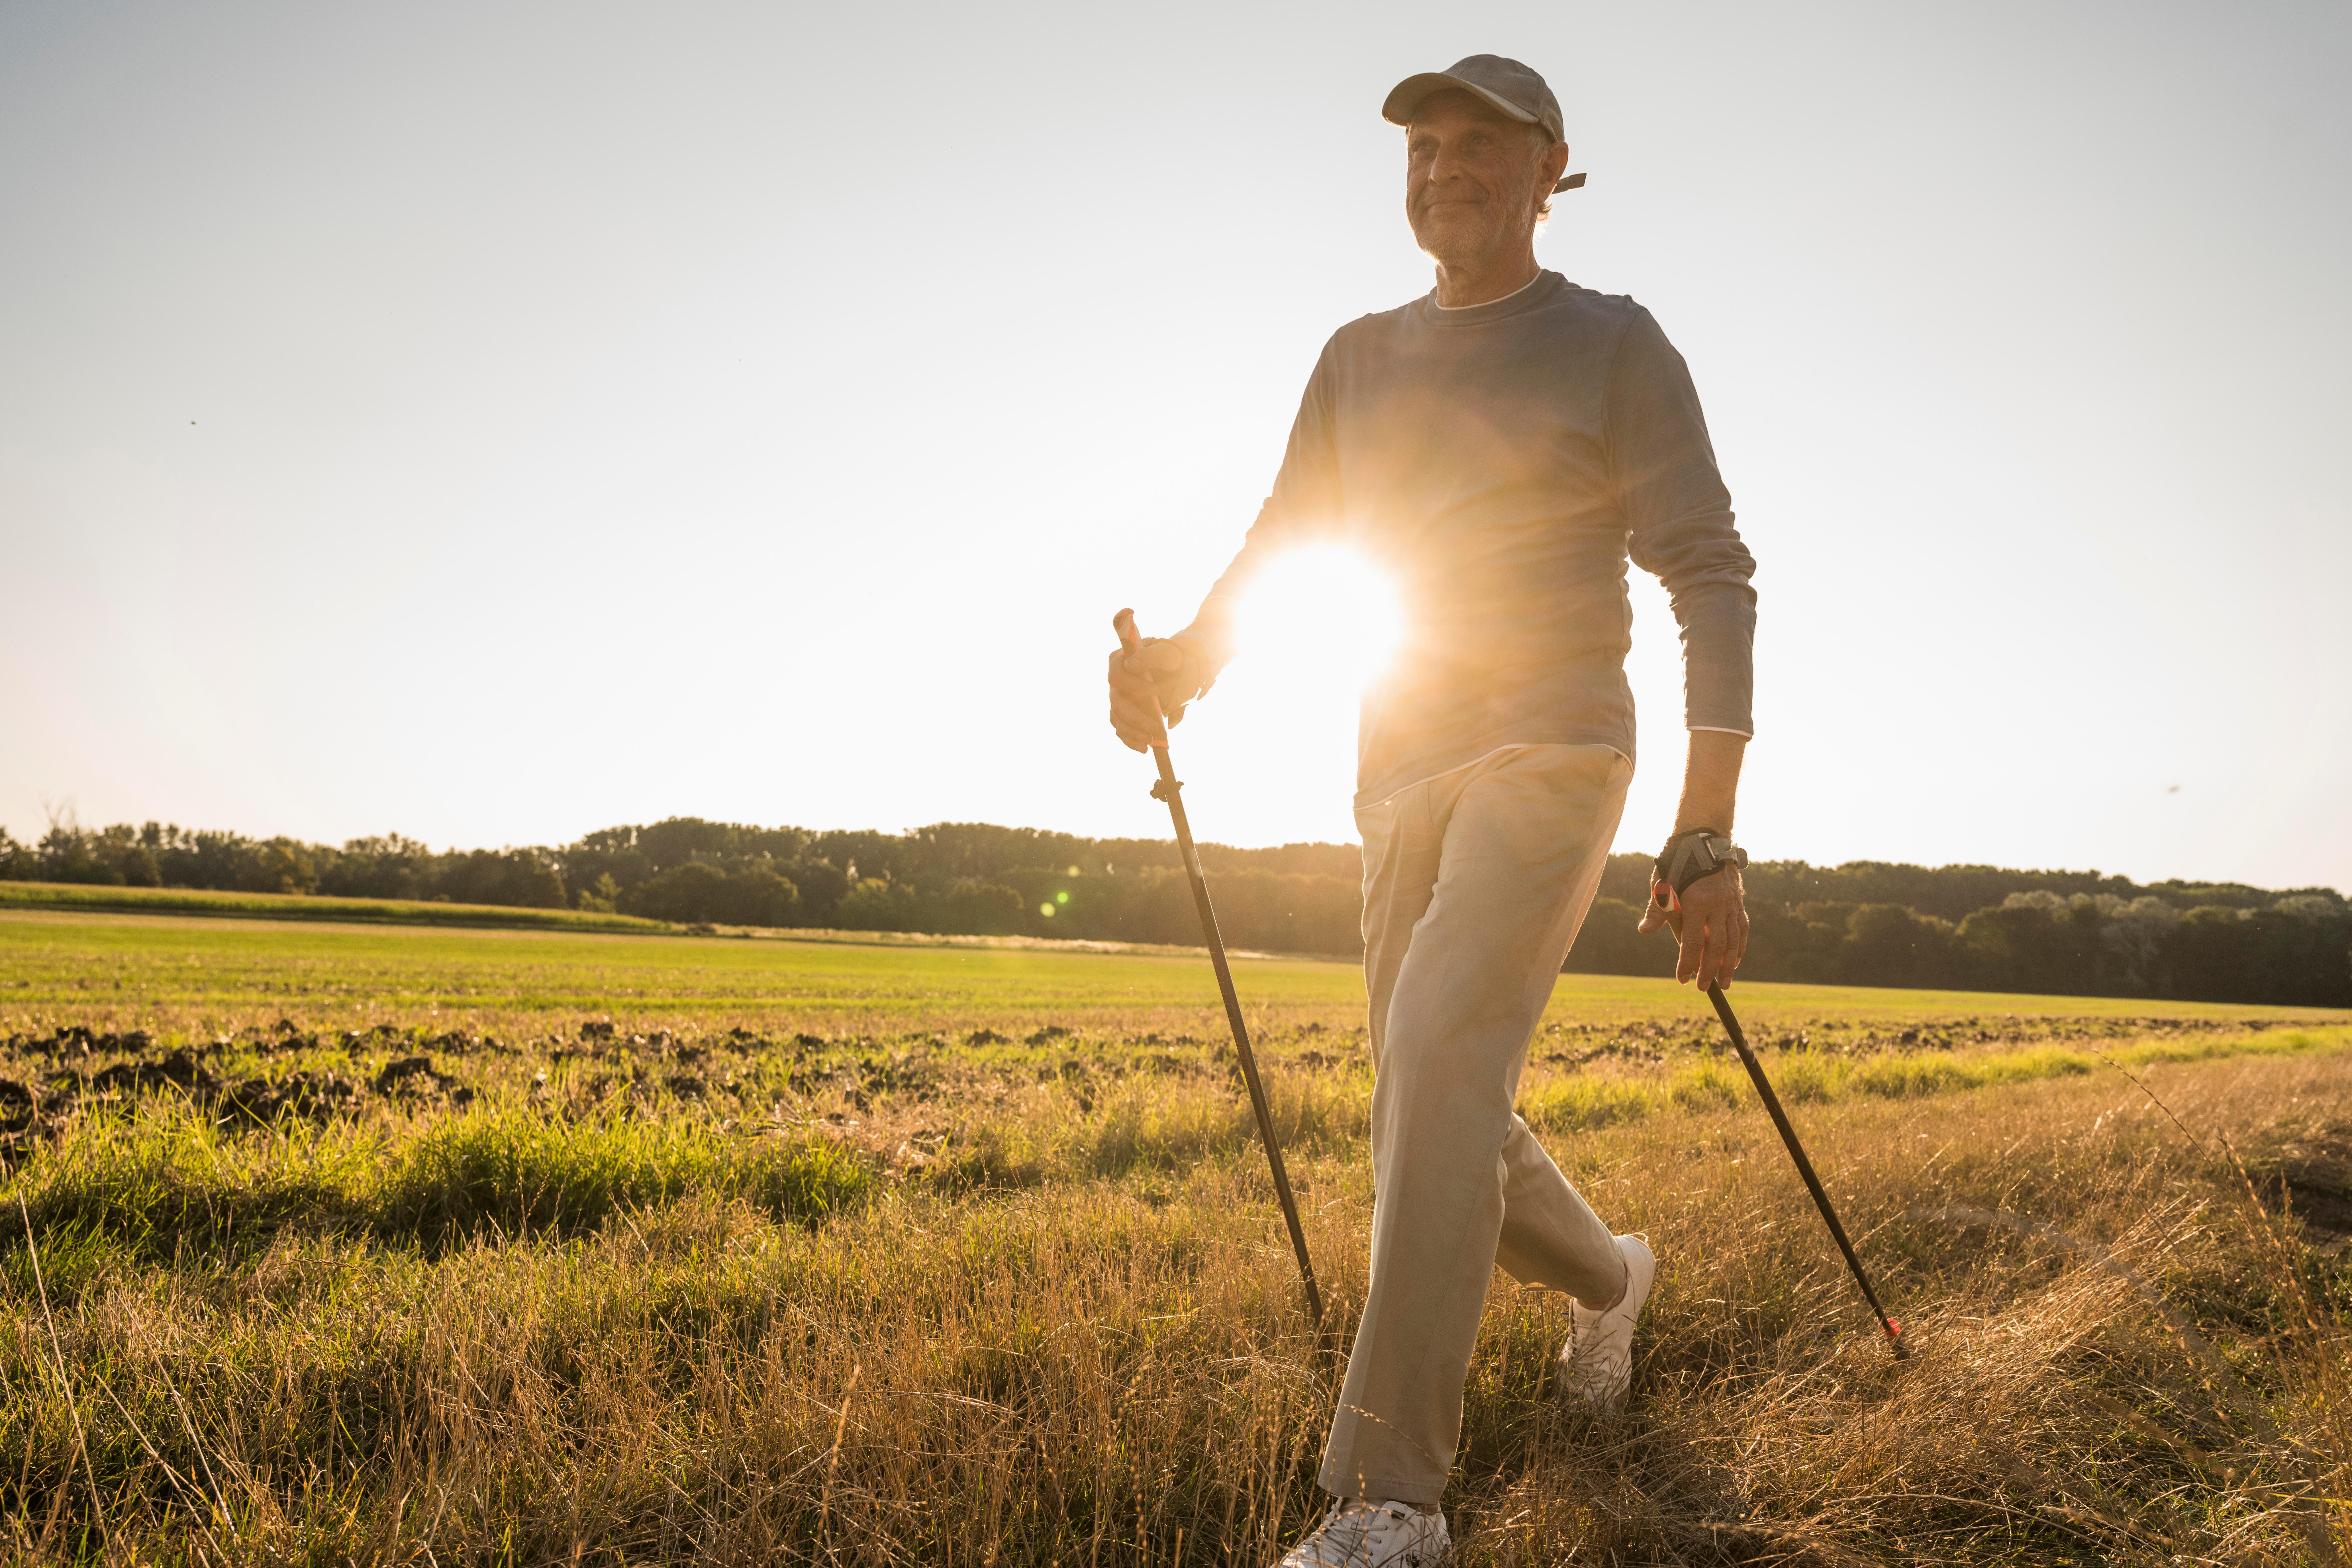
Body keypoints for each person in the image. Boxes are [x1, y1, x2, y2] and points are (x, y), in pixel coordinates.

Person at [1106, 53, 1759, 1567]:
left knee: (1435, 1047)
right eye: (1421, 144)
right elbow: (1293, 537)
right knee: (1429, 1098)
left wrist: (1706, 821)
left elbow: (1709, 569)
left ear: (1552, 169)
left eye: (1479, 143)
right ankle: (1615, 1282)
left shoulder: (1612, 344)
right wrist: (1187, 667)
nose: (1441, 165)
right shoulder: (1356, 357)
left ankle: (1391, 1501)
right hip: (1397, 763)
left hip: (1556, 748)